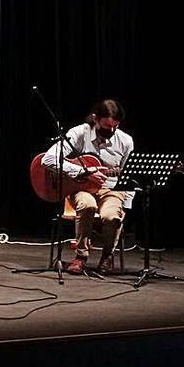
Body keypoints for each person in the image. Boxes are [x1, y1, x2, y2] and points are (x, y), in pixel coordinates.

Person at [41, 99, 133, 275]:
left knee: (112, 216)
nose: (111, 131)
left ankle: (107, 255)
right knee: (87, 205)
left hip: (112, 190)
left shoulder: (126, 141)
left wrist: (127, 204)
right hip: (81, 188)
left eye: (115, 127)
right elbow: (48, 159)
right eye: (107, 127)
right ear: (95, 118)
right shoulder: (79, 133)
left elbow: (128, 176)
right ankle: (81, 257)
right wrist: (84, 172)